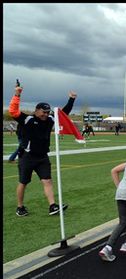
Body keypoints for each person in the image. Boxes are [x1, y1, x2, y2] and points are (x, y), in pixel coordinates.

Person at [9, 84, 76, 216]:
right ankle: (20, 207)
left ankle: (52, 206)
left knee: (47, 180)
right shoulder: (27, 119)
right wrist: (17, 94)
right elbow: (13, 111)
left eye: (47, 112)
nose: (46, 114)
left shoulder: (50, 119)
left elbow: (64, 113)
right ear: (37, 110)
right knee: (23, 182)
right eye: (44, 112)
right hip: (27, 156)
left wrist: (71, 99)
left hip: (42, 157)